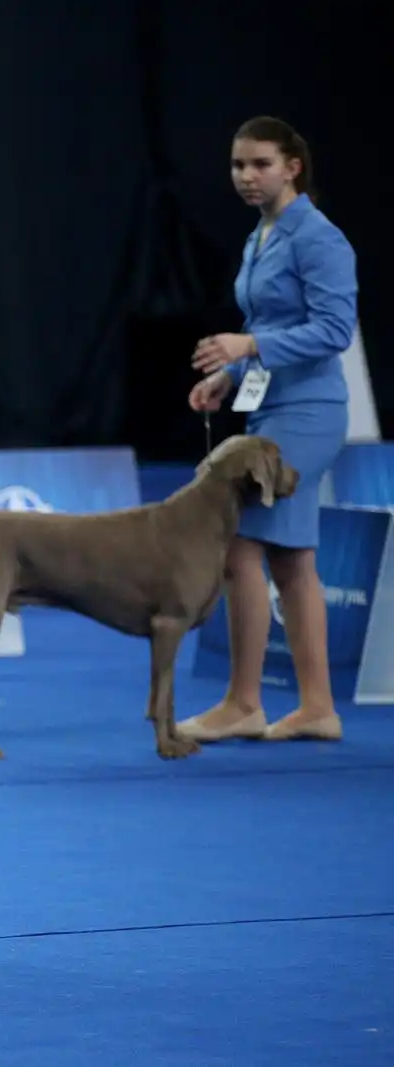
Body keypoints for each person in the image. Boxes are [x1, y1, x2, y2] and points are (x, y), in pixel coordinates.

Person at [179, 116, 357, 745]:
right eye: (237, 166)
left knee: (239, 549)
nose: (246, 177)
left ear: (293, 167)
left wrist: (249, 341)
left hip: (308, 414)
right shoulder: (265, 233)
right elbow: (275, 328)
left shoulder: (319, 237)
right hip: (270, 407)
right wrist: (230, 373)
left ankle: (242, 702)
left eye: (260, 164)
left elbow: (336, 331)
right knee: (293, 561)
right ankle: (317, 707)